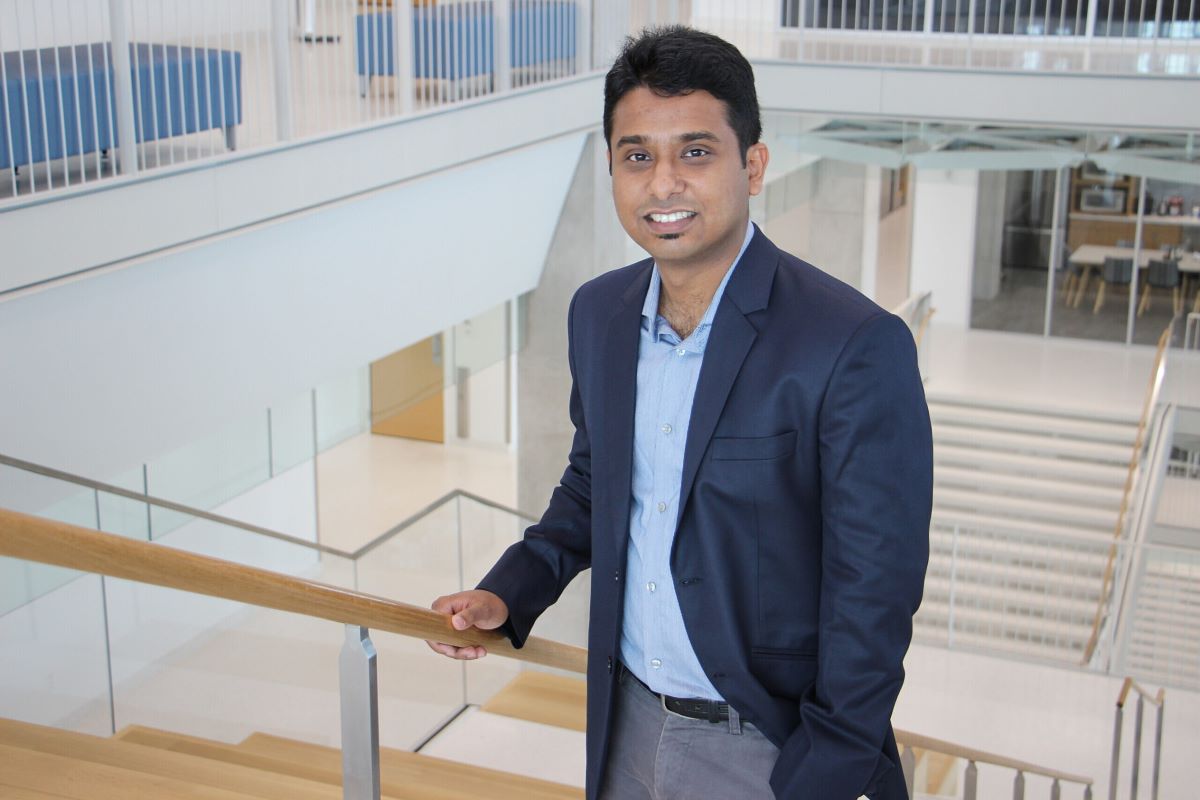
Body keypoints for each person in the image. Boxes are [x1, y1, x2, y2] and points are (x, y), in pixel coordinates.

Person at [427, 25, 932, 800]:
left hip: (766, 748)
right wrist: (512, 590)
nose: (663, 183)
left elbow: (875, 591)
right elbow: (594, 484)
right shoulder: (597, 314)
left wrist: (818, 777)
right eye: (638, 156)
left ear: (753, 165)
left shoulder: (853, 344)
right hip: (624, 726)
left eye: (695, 152)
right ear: (613, 172)